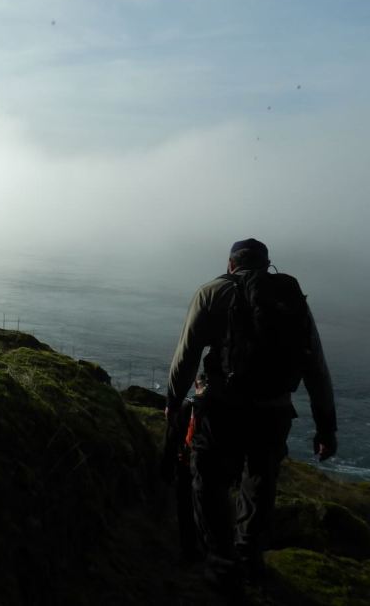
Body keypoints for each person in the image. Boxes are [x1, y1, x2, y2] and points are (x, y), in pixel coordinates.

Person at [166, 238, 337, 588]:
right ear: (266, 264)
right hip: (274, 411)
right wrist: (326, 427)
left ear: (231, 264)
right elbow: (316, 366)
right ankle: (248, 557)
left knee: (209, 480)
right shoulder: (289, 298)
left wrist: (173, 401)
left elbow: (186, 356)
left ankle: (220, 561)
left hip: (221, 408)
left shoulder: (211, 293)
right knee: (260, 482)